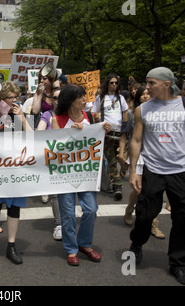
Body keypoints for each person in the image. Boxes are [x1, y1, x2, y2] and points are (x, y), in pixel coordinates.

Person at [128, 67, 185, 285]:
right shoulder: (143, 109)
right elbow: (136, 140)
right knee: (145, 215)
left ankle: (179, 265)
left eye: (152, 83)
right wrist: (134, 171)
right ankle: (137, 243)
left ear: (165, 83)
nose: (147, 87)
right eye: (147, 82)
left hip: (180, 171)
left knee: (183, 219)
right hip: (153, 171)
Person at [51, 84, 111, 266]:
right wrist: (70, 132)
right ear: (71, 100)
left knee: (91, 209)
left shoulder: (89, 116)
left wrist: (103, 130)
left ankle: (84, 243)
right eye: (82, 97)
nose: (85, 100)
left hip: (86, 172)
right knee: (68, 214)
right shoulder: (58, 119)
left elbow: (93, 141)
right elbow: (54, 147)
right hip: (66, 173)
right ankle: (71, 249)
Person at [0, 81, 32, 265]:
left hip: (16, 169)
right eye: (11, 97)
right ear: (2, 99)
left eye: (17, 97)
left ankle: (11, 245)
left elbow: (34, 139)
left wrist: (23, 119)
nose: (15, 100)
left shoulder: (21, 115)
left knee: (14, 207)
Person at [119, 86, 165, 238]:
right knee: (139, 189)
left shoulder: (160, 113)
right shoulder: (133, 115)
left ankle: (153, 223)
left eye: (148, 94)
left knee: (155, 191)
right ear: (138, 97)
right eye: (143, 94)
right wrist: (122, 153)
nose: (146, 96)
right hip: (139, 155)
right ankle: (130, 209)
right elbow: (125, 135)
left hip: (156, 156)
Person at [92, 75, 128, 200]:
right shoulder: (100, 98)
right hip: (107, 134)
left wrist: (124, 128)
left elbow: (125, 113)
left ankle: (122, 170)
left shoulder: (121, 98)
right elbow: (94, 113)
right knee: (112, 161)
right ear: (107, 84)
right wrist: (97, 118)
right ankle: (117, 185)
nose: (114, 85)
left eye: (116, 83)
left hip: (120, 133)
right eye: (111, 83)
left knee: (123, 159)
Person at [37, 88, 63, 240]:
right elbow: (39, 132)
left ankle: (67, 220)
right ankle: (59, 223)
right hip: (53, 158)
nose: (57, 100)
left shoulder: (72, 115)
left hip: (70, 160)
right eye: (54, 98)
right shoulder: (47, 115)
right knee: (55, 193)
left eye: (60, 97)